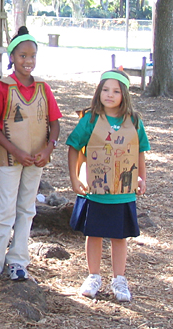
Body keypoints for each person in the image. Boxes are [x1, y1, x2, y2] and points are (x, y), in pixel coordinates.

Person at [0, 27, 61, 286]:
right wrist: (16, 151)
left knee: (26, 209)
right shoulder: (2, 87)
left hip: (36, 159)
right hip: (9, 159)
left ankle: (18, 261)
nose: (28, 61)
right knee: (5, 209)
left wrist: (48, 148)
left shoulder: (43, 88)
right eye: (23, 56)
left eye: (32, 56)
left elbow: (54, 123)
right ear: (12, 57)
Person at [67, 69, 149, 302]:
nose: (109, 95)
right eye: (105, 90)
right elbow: (73, 146)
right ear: (98, 92)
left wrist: (141, 178)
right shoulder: (90, 120)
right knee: (93, 234)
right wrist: (75, 178)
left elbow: (140, 152)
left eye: (115, 91)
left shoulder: (134, 121)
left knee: (119, 237)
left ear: (124, 95)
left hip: (122, 194)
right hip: (95, 192)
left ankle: (119, 278)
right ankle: (93, 276)